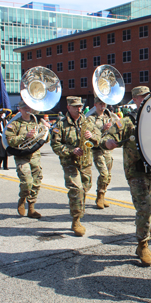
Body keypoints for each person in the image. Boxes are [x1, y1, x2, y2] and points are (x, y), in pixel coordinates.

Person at [102, 86, 151, 266]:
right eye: (141, 97)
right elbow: (107, 137)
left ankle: (146, 242)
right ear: (134, 99)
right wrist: (109, 143)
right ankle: (141, 245)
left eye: (147, 97)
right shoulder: (127, 122)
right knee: (145, 208)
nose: (144, 100)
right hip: (136, 171)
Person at [51, 96, 101, 237]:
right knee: (77, 189)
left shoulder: (87, 121)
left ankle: (79, 213)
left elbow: (98, 138)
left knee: (85, 189)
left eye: (80, 106)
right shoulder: (60, 125)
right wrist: (71, 150)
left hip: (85, 161)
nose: (79, 109)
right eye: (75, 107)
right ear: (68, 107)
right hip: (70, 162)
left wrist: (91, 136)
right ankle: (76, 220)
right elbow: (55, 145)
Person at [5, 100, 50, 218]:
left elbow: (46, 140)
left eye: (29, 107)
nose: (28, 110)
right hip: (21, 156)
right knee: (27, 182)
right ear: (19, 110)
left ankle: (31, 207)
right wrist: (26, 136)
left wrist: (46, 129)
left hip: (35, 156)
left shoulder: (36, 122)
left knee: (36, 182)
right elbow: (10, 141)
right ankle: (22, 198)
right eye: (24, 108)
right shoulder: (14, 124)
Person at [87, 96, 116, 209]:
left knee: (108, 175)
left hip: (107, 149)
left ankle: (103, 195)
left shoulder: (109, 117)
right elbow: (91, 135)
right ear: (95, 105)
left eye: (104, 104)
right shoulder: (91, 119)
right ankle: (99, 196)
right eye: (100, 104)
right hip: (97, 149)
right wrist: (103, 128)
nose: (102, 106)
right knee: (103, 173)